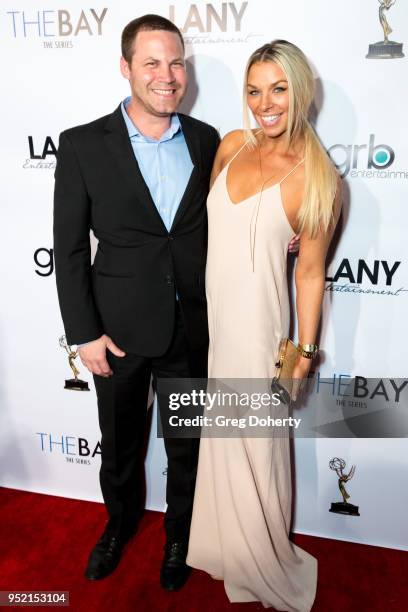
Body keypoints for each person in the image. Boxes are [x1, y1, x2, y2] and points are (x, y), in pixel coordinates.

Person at [53, 14, 220, 589]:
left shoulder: (205, 139)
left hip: (192, 328)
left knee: (188, 446)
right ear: (126, 68)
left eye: (175, 62)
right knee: (120, 448)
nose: (167, 76)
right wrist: (84, 333)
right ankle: (119, 527)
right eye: (151, 62)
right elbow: (69, 249)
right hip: (117, 331)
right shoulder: (81, 145)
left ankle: (180, 537)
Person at [187, 40, 342, 610]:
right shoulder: (230, 145)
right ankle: (226, 545)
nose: (264, 103)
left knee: (258, 444)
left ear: (301, 91)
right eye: (254, 91)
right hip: (215, 321)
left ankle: (264, 557)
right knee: (223, 440)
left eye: (277, 89)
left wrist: (304, 351)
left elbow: (309, 274)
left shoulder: (319, 178)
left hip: (258, 332)